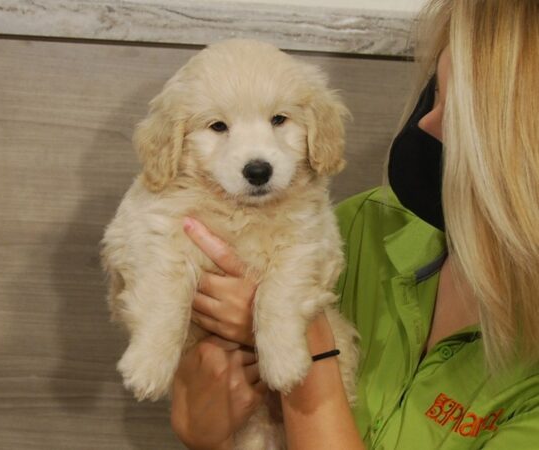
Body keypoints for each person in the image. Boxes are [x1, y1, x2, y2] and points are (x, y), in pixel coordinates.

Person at [170, 0, 539, 448]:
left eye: (457, 110)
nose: (426, 122)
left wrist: (301, 335)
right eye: (434, 94)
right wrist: (200, 426)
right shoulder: (363, 228)